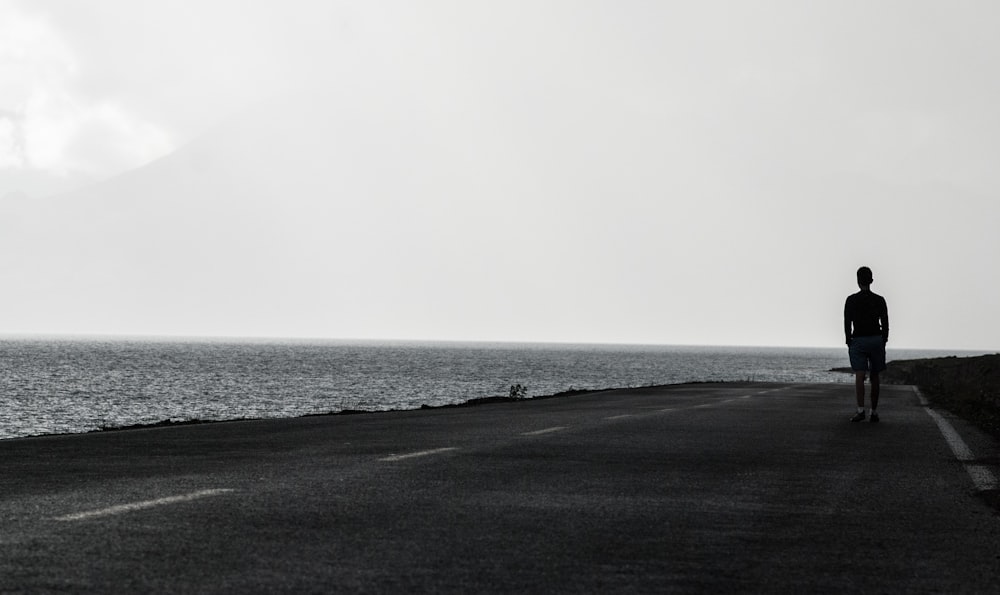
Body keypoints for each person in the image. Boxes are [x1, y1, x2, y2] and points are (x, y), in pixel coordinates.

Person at [844, 266, 889, 423]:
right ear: (871, 280)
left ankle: (860, 410)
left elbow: (847, 322)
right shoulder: (879, 300)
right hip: (876, 339)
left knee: (860, 374)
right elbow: (885, 322)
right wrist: (884, 339)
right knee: (875, 375)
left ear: (858, 281)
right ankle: (874, 412)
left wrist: (848, 340)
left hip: (859, 340)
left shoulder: (851, 300)